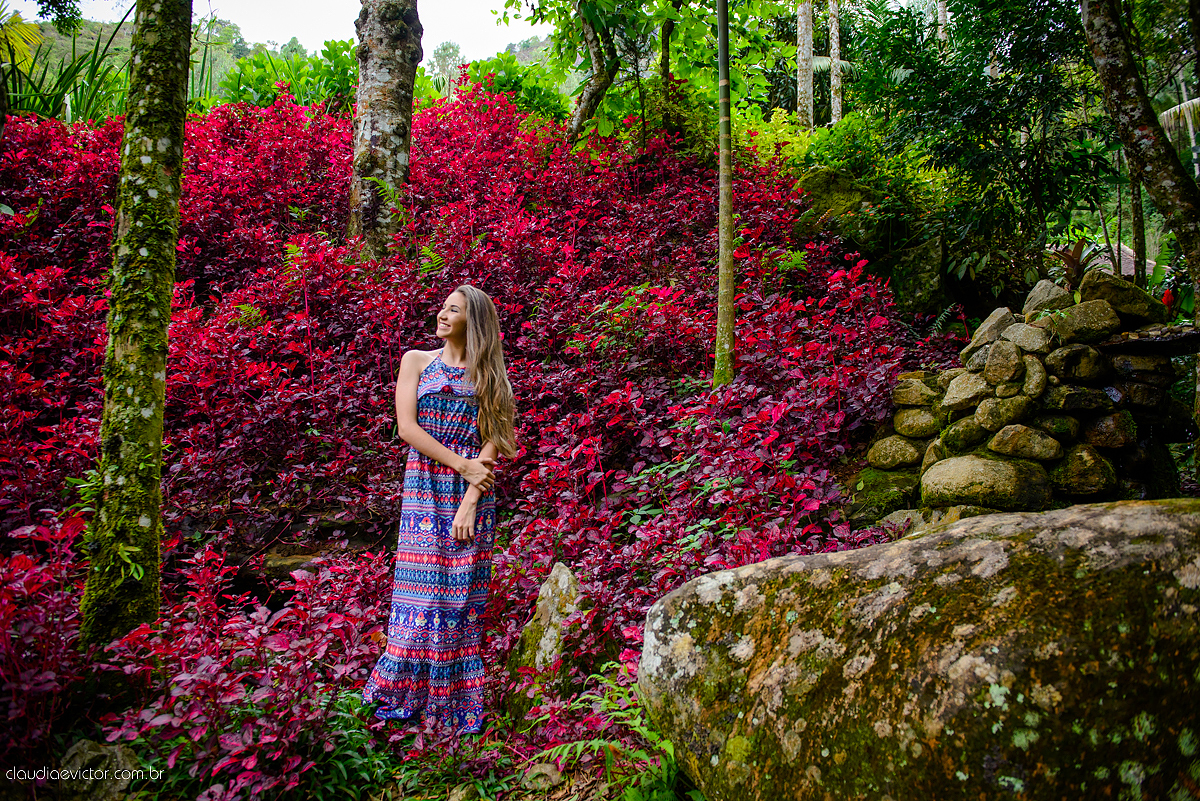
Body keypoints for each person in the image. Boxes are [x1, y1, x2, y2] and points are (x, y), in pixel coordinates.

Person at [362, 285, 517, 733]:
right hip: (423, 493)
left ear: (475, 320)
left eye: (455, 309)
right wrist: (461, 464)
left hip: (472, 498)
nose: (443, 314)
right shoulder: (416, 361)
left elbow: (495, 438)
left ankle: (452, 707)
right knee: (419, 595)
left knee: (458, 600)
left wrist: (471, 497)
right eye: (444, 307)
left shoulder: (492, 376)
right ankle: (403, 701)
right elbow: (406, 428)